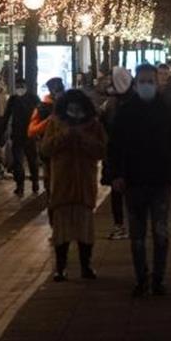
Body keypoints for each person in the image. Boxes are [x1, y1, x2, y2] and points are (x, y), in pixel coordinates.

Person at [109, 64, 171, 298]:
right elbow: (114, 146)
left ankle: (158, 278)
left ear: (157, 83)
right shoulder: (126, 111)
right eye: (142, 81)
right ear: (136, 83)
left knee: (160, 232)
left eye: (150, 81)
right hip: (133, 181)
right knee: (137, 236)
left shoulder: (166, 110)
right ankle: (141, 278)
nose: (146, 85)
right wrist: (116, 175)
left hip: (161, 180)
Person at [41, 89, 108, 281]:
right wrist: (65, 137)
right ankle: (60, 267)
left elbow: (102, 150)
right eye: (71, 107)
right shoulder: (55, 123)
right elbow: (45, 149)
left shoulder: (93, 125)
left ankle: (86, 266)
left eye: (78, 107)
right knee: (61, 230)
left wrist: (83, 139)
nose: (74, 111)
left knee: (85, 229)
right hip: (61, 184)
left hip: (85, 185)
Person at [100, 67, 133, 240]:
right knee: (124, 192)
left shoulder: (112, 103)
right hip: (123, 155)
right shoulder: (128, 100)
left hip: (117, 154)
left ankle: (121, 225)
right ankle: (126, 224)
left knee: (118, 192)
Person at [2, 77, 40, 196]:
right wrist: (1, 131)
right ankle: (20, 185)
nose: (19, 89)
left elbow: (40, 114)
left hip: (29, 134)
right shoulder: (13, 100)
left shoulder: (33, 98)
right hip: (18, 134)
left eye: (21, 86)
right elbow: (6, 116)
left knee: (32, 160)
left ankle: (34, 182)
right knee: (18, 161)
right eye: (18, 86)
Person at [28, 77, 66, 195]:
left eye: (60, 89)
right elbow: (31, 130)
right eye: (56, 90)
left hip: (66, 151)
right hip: (49, 149)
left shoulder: (69, 105)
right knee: (51, 181)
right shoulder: (42, 108)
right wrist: (49, 121)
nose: (59, 93)